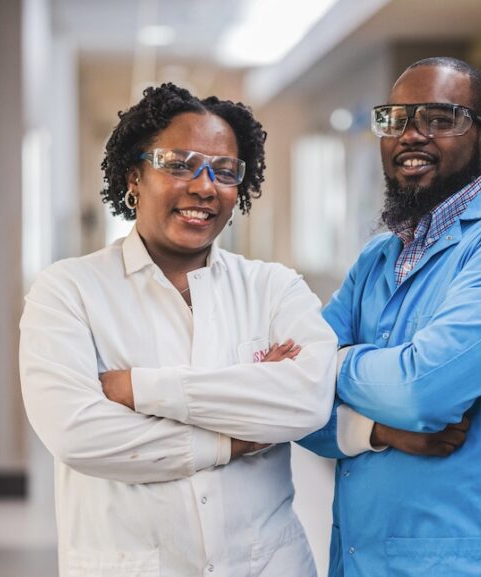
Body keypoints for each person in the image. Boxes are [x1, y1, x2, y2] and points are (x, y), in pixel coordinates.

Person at [19, 83, 339, 577]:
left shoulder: (274, 287)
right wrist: (233, 438)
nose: (205, 185)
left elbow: (307, 401)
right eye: (178, 163)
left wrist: (139, 389)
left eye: (224, 171)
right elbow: (78, 434)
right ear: (134, 176)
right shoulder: (68, 292)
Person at [299, 57, 481, 576]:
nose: (412, 135)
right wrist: (380, 431)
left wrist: (335, 361)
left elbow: (421, 391)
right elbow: (291, 400)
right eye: (396, 119)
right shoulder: (379, 258)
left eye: (439, 118)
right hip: (367, 559)